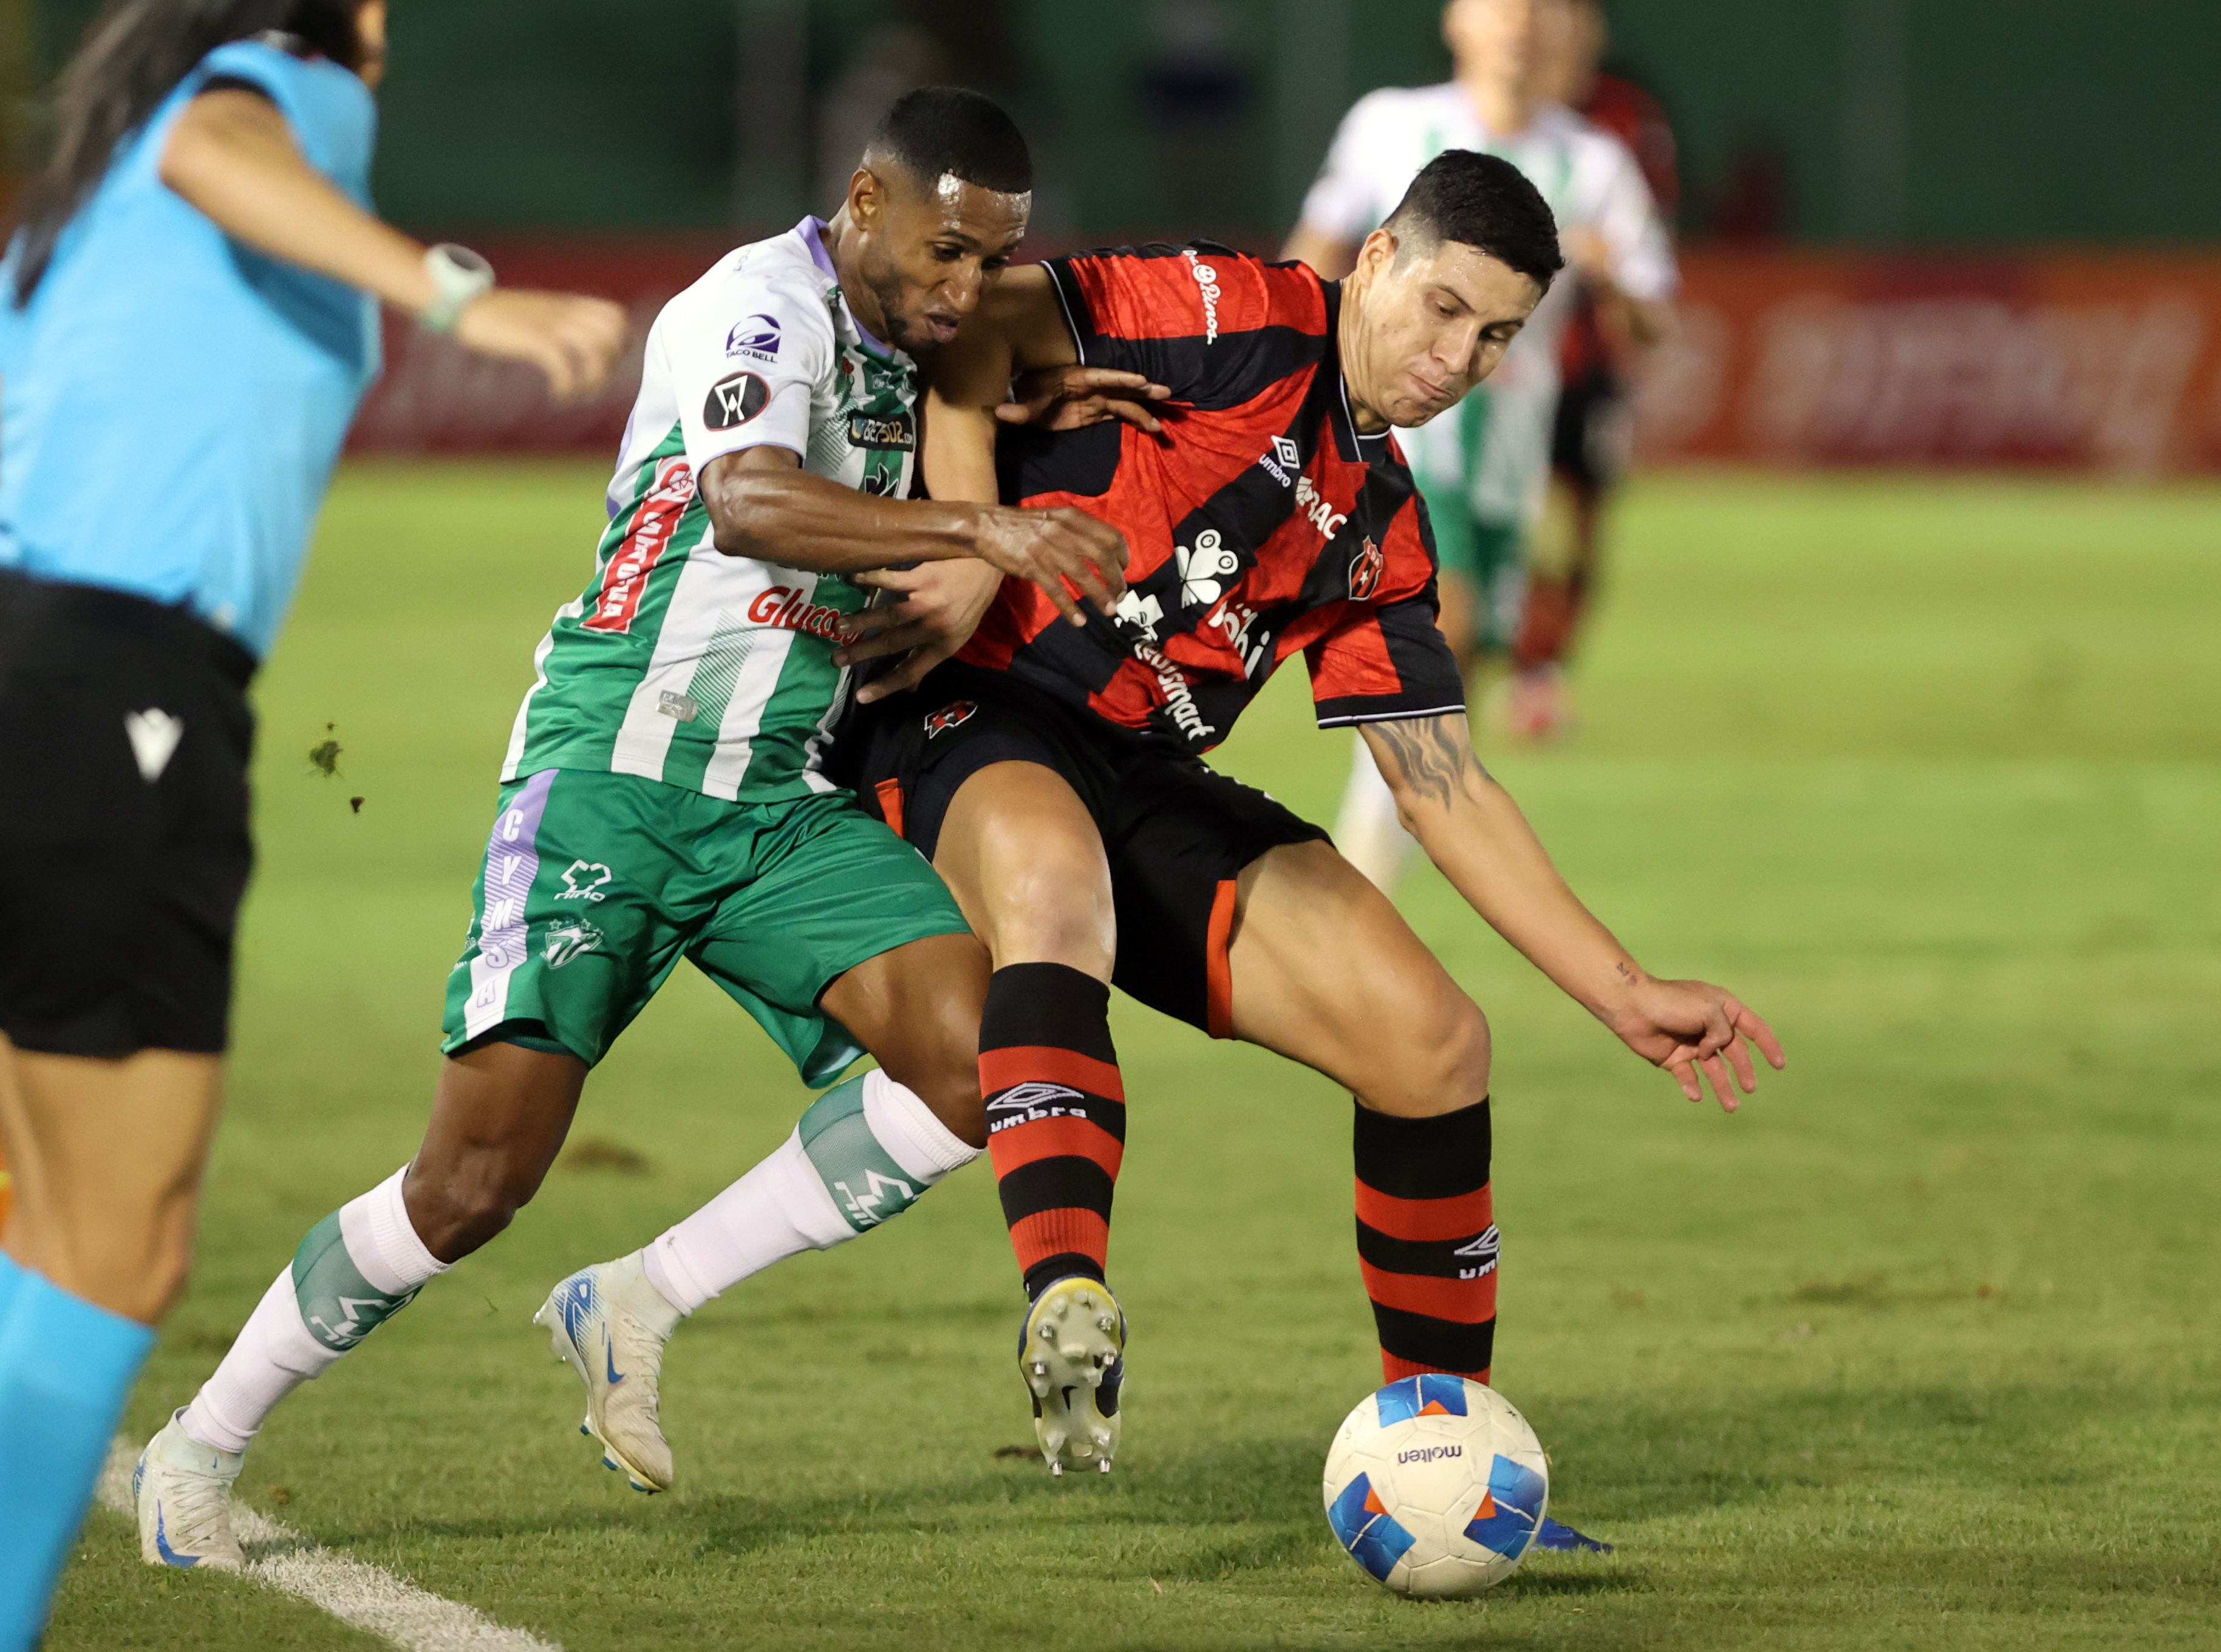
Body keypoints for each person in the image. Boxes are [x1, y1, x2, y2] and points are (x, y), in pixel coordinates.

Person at [132, 85, 1136, 1565]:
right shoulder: (756, 304)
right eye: (944, 252)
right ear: (864, 206)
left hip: (770, 809)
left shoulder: (907, 354)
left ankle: (643, 1292)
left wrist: (950, 543)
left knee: (977, 1060)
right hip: (612, 776)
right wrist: (977, 526)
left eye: (988, 262)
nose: (965, 288)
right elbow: (742, 501)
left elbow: (843, 528)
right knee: (472, 1183)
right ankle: (195, 1450)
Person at [823, 148, 1783, 1477]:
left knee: (1435, 1041)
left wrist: (1621, 992)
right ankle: (1066, 1299)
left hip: (1141, 771)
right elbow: (971, 322)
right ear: (1376, 257)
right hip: (969, 708)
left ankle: (1444, 1459)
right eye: (1444, 308)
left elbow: (1442, 788)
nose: (1460, 358)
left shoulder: (1384, 522)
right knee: (1053, 883)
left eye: (1497, 336)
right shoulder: (1234, 313)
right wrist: (975, 542)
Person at [0, 1, 629, 1638]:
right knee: (113, 1240)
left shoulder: (78, 214)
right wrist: (447, 296)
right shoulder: (291, 82)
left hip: (33, 660)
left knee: (24, 1208)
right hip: (110, 683)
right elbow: (228, 142)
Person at [1282, 0, 1675, 890]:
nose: (1520, 23)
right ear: (1456, 20)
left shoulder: (1597, 162)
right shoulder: (1389, 124)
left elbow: (1655, 312)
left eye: (1540, 7)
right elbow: (1317, 242)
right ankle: (1355, 890)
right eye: (1500, 4)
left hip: (1513, 461)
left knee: (1455, 677)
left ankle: (1365, 871)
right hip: (1409, 439)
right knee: (1438, 635)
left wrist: (1616, 281)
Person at [1513, 0, 1681, 740]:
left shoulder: (1624, 124)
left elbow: (1652, 266)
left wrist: (1614, 278)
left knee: (1582, 524)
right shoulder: (1485, 120)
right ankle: (1498, 657)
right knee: (1501, 526)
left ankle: (1541, 668)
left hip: (1591, 368)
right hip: (1502, 373)